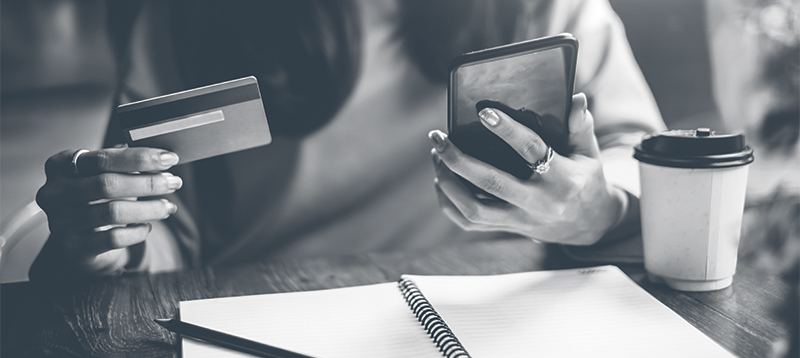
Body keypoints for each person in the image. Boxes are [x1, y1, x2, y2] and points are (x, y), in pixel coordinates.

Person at [30, 0, 665, 280]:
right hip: (256, 313)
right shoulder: (189, 18)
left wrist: (598, 210)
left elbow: (641, 156)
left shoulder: (547, 8)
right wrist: (112, 245)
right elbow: (164, 221)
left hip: (493, 310)